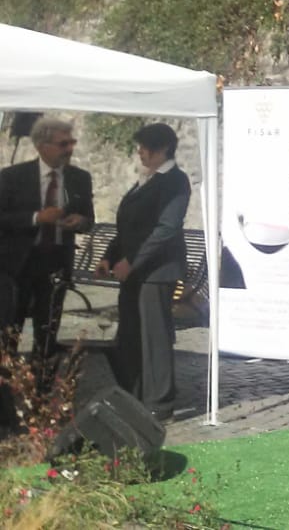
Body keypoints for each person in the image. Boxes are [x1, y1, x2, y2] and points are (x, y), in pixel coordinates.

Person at [99, 123, 188, 419]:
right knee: (130, 334)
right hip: (135, 272)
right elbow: (128, 227)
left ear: (163, 149)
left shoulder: (175, 181)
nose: (139, 152)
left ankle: (159, 403)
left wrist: (132, 261)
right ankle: (132, 394)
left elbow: (166, 229)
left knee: (154, 337)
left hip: (157, 273)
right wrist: (109, 257)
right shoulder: (146, 181)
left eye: (145, 147)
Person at [0, 116, 94, 358]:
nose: (70, 149)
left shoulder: (80, 178)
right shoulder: (13, 177)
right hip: (19, 264)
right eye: (63, 144)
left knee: (47, 330)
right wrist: (36, 217)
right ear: (42, 146)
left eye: (72, 143)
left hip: (56, 263)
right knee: (10, 329)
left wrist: (80, 222)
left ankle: (43, 377)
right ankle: (7, 378)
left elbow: (89, 220)